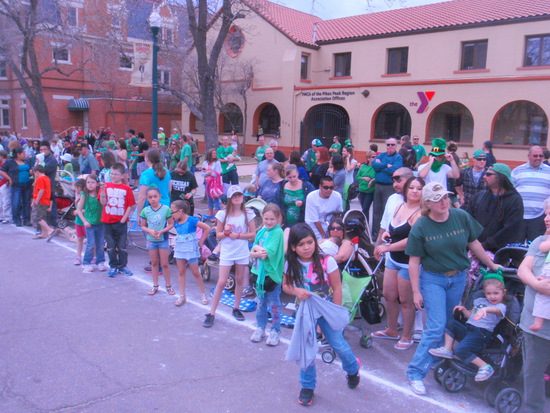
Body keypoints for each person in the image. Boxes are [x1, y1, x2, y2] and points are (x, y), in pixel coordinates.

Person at [404, 182, 501, 395]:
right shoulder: (421, 226)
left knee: (448, 322)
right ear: (427, 203)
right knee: (437, 325)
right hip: (433, 279)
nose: (444, 202)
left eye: (445, 197)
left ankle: (436, 360)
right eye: (438, 199)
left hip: (457, 278)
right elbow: (414, 261)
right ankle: (415, 372)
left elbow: (474, 243)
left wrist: (492, 265)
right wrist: (416, 291)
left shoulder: (460, 216)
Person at [283, 223, 360, 406]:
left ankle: (352, 367)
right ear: (293, 247)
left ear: (315, 242)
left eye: (310, 242)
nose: (307, 247)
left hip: (326, 309)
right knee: (307, 347)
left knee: (338, 344)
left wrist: (336, 312)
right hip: (305, 312)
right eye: (301, 244)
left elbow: (336, 287)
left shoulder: (327, 261)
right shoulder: (291, 263)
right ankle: (307, 386)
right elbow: (286, 286)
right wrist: (296, 292)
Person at [373, 177, 425, 350]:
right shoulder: (399, 206)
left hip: (408, 262)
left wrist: (386, 248)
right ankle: (392, 329)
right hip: (393, 259)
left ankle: (406, 335)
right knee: (388, 294)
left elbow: (411, 240)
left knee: (406, 300)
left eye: (419, 188)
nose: (415, 191)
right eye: (411, 187)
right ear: (406, 190)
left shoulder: (421, 213)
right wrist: (385, 236)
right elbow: (392, 228)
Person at [429, 272, 507, 382]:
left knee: (460, 350)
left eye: (496, 293)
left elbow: (497, 311)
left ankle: (485, 366)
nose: (492, 296)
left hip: (482, 334)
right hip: (470, 328)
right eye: (489, 293)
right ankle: (447, 349)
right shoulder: (480, 302)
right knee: (451, 323)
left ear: (503, 293)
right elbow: (471, 316)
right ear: (484, 293)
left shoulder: (500, 307)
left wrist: (485, 310)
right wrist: (464, 310)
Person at [203, 185, 256, 328]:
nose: (237, 197)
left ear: (242, 197)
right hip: (227, 251)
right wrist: (226, 233)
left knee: (240, 279)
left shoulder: (248, 214)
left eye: (239, 195)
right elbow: (218, 234)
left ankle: (236, 308)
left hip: (241, 251)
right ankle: (211, 312)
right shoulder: (222, 214)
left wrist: (237, 235)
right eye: (234, 196)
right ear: (230, 199)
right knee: (221, 282)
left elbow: (252, 234)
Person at [518, 201, 550, 413]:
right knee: (532, 373)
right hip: (534, 325)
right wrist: (537, 284)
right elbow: (523, 269)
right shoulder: (540, 241)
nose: (546, 218)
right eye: (547, 214)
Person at [465, 163, 524, 253]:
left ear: (500, 177)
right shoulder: (479, 197)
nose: (484, 177)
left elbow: (510, 230)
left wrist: (486, 245)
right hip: (474, 250)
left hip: (500, 254)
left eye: (488, 174)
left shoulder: (514, 200)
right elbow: (467, 220)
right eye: (485, 174)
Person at [250, 204, 285, 346]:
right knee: (261, 303)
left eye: (272, 219)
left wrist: (256, 250)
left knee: (275, 303)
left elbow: (266, 252)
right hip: (259, 272)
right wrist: (257, 250)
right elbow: (253, 250)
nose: (269, 222)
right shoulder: (262, 230)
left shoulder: (278, 232)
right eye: (266, 219)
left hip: (271, 274)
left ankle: (275, 330)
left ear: (278, 218)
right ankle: (261, 327)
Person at [171, 200, 210, 306]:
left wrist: (201, 241)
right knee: (181, 272)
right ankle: (182, 296)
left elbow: (207, 228)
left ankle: (203, 294)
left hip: (190, 249)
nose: (171, 214)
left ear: (180, 211)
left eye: (172, 212)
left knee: (195, 272)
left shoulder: (192, 220)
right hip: (180, 249)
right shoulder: (176, 222)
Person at [100, 163, 135, 277]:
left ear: (122, 175)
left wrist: (124, 218)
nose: (113, 176)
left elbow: (130, 205)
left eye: (116, 174)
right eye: (112, 174)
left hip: (121, 221)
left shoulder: (126, 188)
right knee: (110, 247)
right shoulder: (106, 185)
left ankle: (123, 265)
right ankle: (113, 266)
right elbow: (103, 203)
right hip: (107, 220)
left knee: (122, 246)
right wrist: (103, 191)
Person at [512, 146, 550, 242]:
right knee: (516, 247)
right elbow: (511, 192)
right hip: (520, 216)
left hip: (539, 217)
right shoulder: (517, 170)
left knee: (535, 246)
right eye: (535, 155)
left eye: (540, 156)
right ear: (528, 156)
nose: (538, 158)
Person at [141, 186, 174, 296]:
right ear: (147, 198)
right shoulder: (146, 211)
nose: (153, 199)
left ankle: (168, 286)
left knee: (164, 263)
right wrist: (150, 231)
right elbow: (143, 226)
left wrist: (161, 231)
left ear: (160, 196)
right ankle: (155, 286)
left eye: (155, 196)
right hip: (151, 240)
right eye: (150, 197)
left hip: (163, 239)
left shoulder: (166, 209)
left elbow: (171, 224)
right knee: (154, 263)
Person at [372, 138, 403, 239]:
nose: (390, 146)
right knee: (376, 211)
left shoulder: (398, 157)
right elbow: (374, 166)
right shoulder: (381, 155)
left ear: (396, 146)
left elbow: (395, 171)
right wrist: (385, 165)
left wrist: (380, 168)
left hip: (389, 187)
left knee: (389, 210)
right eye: (388, 144)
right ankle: (375, 234)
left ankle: (389, 233)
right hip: (378, 186)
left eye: (392, 144)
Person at [76, 174, 107, 273]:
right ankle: (87, 262)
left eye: (93, 182)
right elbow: (79, 210)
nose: (90, 184)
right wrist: (85, 221)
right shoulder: (84, 195)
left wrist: (102, 190)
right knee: (90, 244)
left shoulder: (100, 193)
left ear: (97, 183)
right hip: (89, 224)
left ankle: (100, 261)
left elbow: (103, 203)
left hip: (100, 223)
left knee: (100, 243)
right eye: (88, 182)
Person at [0, 147, 32, 226]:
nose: (25, 155)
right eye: (23, 154)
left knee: (26, 202)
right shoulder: (10, 162)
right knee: (16, 202)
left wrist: (31, 172)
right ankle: (16, 219)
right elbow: (2, 170)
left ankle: (26, 219)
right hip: (16, 184)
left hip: (27, 184)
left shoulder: (27, 161)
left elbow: (30, 170)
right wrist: (9, 178)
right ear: (18, 154)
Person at [305, 175, 343, 241]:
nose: (329, 190)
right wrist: (324, 236)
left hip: (331, 228)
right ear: (320, 186)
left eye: (331, 187)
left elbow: (338, 215)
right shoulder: (311, 197)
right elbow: (316, 221)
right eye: (326, 187)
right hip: (314, 228)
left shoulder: (337, 196)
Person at [136, 148, 172, 218]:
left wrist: (139, 214)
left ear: (147, 158)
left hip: (150, 209)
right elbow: (169, 190)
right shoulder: (166, 171)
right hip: (164, 207)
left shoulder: (146, 174)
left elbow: (142, 197)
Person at [278, 164, 315, 228]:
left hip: (303, 222)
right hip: (287, 223)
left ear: (298, 174)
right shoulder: (282, 187)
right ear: (286, 176)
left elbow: (314, 199)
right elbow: (278, 204)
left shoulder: (307, 186)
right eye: (289, 177)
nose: (292, 179)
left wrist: (303, 203)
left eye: (294, 176)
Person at [30, 164, 58, 241]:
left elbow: (41, 190)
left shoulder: (40, 179)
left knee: (36, 217)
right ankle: (44, 233)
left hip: (41, 200)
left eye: (35, 173)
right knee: (42, 217)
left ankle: (49, 230)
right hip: (45, 201)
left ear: (37, 172)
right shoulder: (47, 178)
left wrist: (36, 200)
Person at [39, 141, 58, 226]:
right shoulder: (40, 159)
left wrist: (39, 165)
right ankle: (44, 223)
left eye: (44, 149)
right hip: (40, 185)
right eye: (41, 150)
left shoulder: (52, 160)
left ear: (49, 150)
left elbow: (44, 170)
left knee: (51, 204)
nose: (42, 151)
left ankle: (53, 223)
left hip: (49, 185)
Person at [355, 151, 376, 222]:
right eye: (373, 157)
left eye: (375, 156)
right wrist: (363, 178)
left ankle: (365, 224)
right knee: (363, 208)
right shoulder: (363, 166)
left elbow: (377, 177)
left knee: (365, 209)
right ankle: (364, 223)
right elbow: (357, 176)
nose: (375, 158)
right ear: (368, 158)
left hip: (370, 191)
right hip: (362, 190)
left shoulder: (376, 167)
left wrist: (372, 180)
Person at [201, 148, 223, 216]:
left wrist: (210, 173)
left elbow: (218, 173)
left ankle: (217, 215)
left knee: (216, 197)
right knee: (209, 198)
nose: (215, 155)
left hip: (214, 183)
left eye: (215, 153)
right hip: (207, 182)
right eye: (213, 153)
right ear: (209, 154)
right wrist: (208, 172)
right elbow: (202, 173)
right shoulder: (205, 162)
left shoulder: (217, 162)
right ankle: (210, 213)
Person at [73, 179, 86, 265]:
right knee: (79, 239)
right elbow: (77, 207)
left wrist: (79, 211)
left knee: (91, 240)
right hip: (78, 221)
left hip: (85, 221)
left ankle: (94, 255)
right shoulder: (79, 197)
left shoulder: (85, 196)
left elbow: (87, 209)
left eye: (76, 188)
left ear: (80, 187)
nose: (75, 190)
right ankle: (78, 256)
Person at [0, 150, 11, 224]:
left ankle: (7, 217)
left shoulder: (6, 164)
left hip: (4, 183)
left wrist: (8, 180)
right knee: (1, 202)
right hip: (1, 183)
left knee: (6, 201)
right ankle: (1, 216)